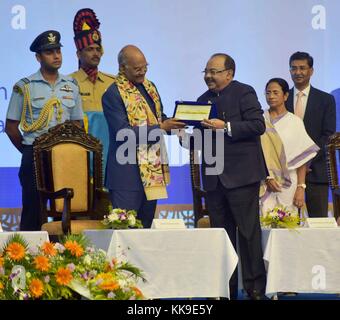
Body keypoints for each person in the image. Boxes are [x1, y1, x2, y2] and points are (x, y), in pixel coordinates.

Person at [194, 53, 267, 300]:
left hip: (242, 177)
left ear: (229, 73)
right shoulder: (201, 101)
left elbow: (258, 125)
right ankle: (225, 290)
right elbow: (197, 140)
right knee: (221, 238)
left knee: (248, 234)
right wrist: (186, 136)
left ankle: (255, 289)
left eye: (214, 71)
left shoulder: (244, 92)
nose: (208, 76)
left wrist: (225, 127)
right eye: (206, 71)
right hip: (214, 179)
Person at [5, 30, 83, 231]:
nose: (56, 56)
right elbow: (11, 127)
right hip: (35, 154)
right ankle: (30, 256)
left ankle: (67, 254)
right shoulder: (24, 87)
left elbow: (77, 124)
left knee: (66, 206)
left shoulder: (71, 85)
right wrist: (29, 151)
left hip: (65, 155)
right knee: (33, 209)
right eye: (49, 52)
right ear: (38, 57)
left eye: (58, 50)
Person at [102, 45, 185, 228]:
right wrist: (162, 127)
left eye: (145, 67)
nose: (142, 73)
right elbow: (123, 134)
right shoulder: (113, 94)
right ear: (123, 68)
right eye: (137, 69)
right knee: (126, 230)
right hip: (127, 174)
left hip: (152, 171)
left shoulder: (150, 87)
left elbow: (159, 118)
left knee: (146, 228)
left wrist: (177, 124)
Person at [286, 52, 336, 218]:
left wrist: (306, 161)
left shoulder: (325, 99)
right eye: (294, 68)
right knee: (285, 222)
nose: (297, 72)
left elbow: (327, 136)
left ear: (311, 71)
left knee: (318, 223)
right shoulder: (281, 99)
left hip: (316, 170)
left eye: (302, 68)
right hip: (287, 172)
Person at [260, 78, 319, 215]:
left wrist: (301, 187)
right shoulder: (259, 120)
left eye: (275, 92)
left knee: (288, 222)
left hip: (289, 181)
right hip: (264, 180)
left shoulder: (295, 122)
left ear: (285, 95)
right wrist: (267, 177)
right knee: (264, 221)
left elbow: (302, 159)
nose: (271, 96)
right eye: (268, 93)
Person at [70, 8, 115, 170]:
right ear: (78, 54)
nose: (95, 53)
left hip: (111, 154)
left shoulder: (113, 82)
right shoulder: (68, 83)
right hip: (80, 154)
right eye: (90, 49)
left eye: (98, 49)